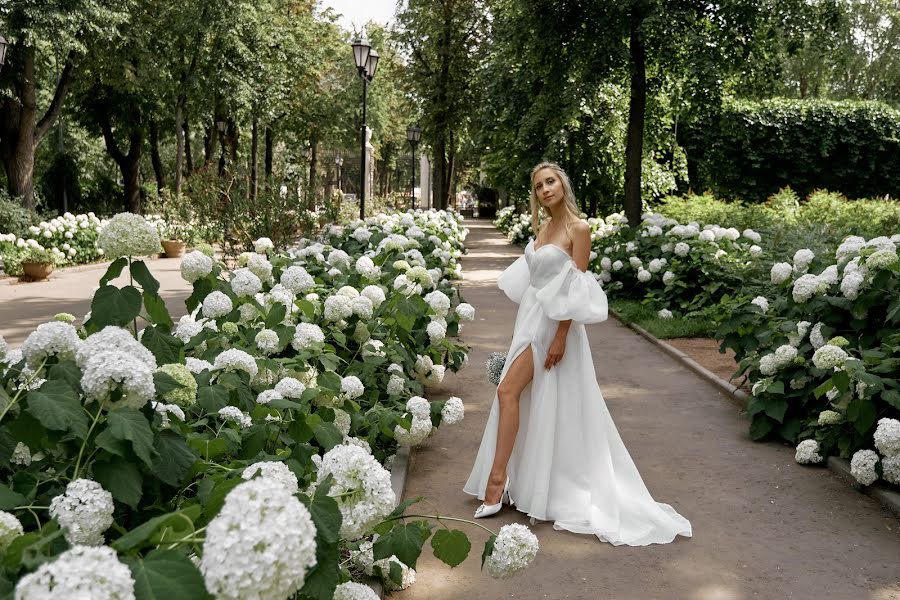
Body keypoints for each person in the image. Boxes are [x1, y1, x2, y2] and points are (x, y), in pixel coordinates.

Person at [463, 162, 692, 546]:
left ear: (563, 184)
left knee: (507, 392)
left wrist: (561, 336)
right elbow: (534, 279)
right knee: (524, 397)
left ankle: (497, 481)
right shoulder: (541, 228)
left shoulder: (578, 229)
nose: (545, 189)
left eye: (550, 182)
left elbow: (577, 286)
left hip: (554, 324)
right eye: (538, 186)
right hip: (530, 319)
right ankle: (517, 481)